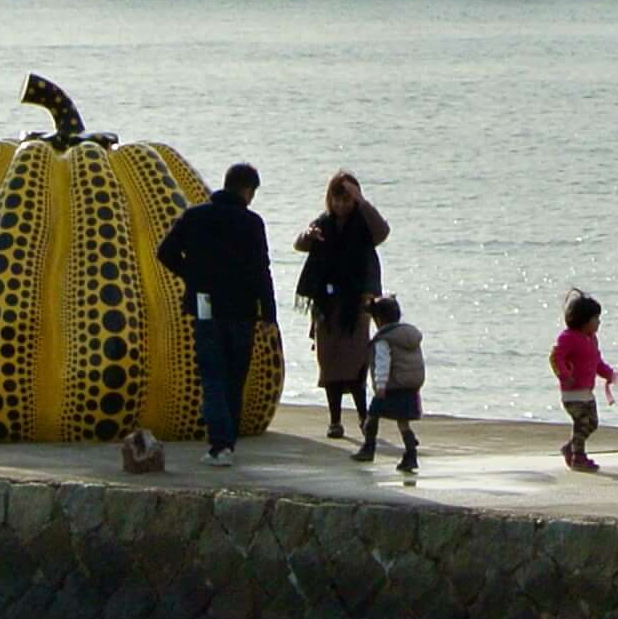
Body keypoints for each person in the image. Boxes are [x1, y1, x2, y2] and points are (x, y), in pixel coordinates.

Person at [152, 160, 274, 467]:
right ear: (247, 190)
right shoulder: (252, 223)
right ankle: (227, 441)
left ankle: (220, 444)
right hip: (242, 309)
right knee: (235, 376)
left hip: (205, 305)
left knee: (212, 375)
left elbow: (164, 252)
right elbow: (263, 271)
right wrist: (269, 315)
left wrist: (191, 275)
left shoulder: (195, 216)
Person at [289, 171, 389, 441]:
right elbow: (299, 244)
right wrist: (307, 235)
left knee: (356, 361)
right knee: (329, 362)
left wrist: (363, 201)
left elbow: (383, 232)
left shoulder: (365, 224)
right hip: (327, 303)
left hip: (356, 303)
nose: (342, 205)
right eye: (337, 199)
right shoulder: (323, 223)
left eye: (347, 199)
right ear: (330, 200)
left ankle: (362, 416)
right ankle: (334, 420)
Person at [550, 290, 618, 473]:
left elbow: (597, 363)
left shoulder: (592, 340)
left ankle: (570, 448)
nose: (599, 323)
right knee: (581, 423)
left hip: (587, 392)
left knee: (592, 423)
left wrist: (609, 374)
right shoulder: (568, 338)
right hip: (572, 393)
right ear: (583, 320)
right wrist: (565, 375)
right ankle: (578, 457)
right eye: (595, 319)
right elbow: (556, 358)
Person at [360, 292, 425, 479]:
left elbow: (383, 363)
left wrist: (380, 385)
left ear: (378, 320)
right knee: (403, 422)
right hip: (410, 385)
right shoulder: (409, 336)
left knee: (372, 416)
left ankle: (368, 448)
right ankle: (410, 454)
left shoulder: (384, 339)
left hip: (391, 385)